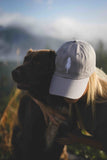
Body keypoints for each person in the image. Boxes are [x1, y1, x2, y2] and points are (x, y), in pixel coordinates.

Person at [49, 40, 107, 153]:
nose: (66, 95)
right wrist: (45, 108)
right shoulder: (82, 97)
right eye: (62, 82)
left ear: (91, 77)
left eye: (73, 84)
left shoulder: (104, 106)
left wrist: (79, 139)